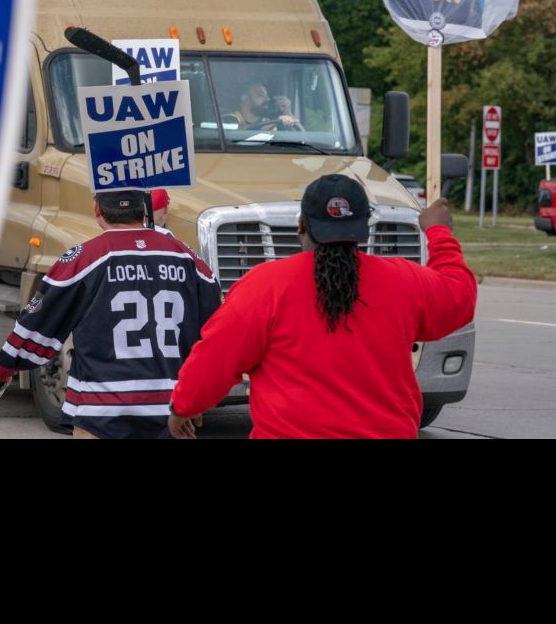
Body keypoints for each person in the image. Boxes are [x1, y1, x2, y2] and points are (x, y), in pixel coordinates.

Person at [168, 174, 477, 440]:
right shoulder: (405, 282)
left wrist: (184, 407)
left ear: (302, 226)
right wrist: (439, 233)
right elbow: (459, 298)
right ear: (364, 228)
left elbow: (216, 359)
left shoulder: (264, 285)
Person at [0, 188, 221, 439]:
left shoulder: (85, 257)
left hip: (101, 410)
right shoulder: (189, 257)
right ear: (145, 211)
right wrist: (196, 396)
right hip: (170, 407)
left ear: (97, 211)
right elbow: (216, 334)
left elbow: (36, 327)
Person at [221, 82, 301, 131]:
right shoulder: (230, 118)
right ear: (245, 99)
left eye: (267, 95)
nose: (268, 99)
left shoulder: (268, 120)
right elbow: (237, 132)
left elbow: (302, 136)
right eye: (261, 96)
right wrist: (275, 122)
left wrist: (288, 112)